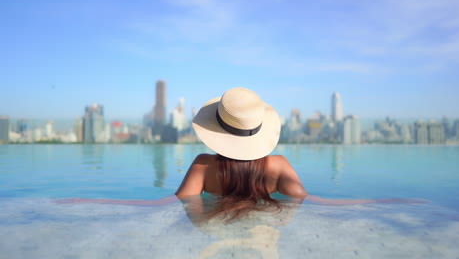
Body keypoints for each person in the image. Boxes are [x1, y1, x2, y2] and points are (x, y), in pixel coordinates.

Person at [58, 87, 426, 217]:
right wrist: (383, 201)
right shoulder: (278, 165)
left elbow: (166, 205)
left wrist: (95, 201)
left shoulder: (203, 166)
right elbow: (316, 203)